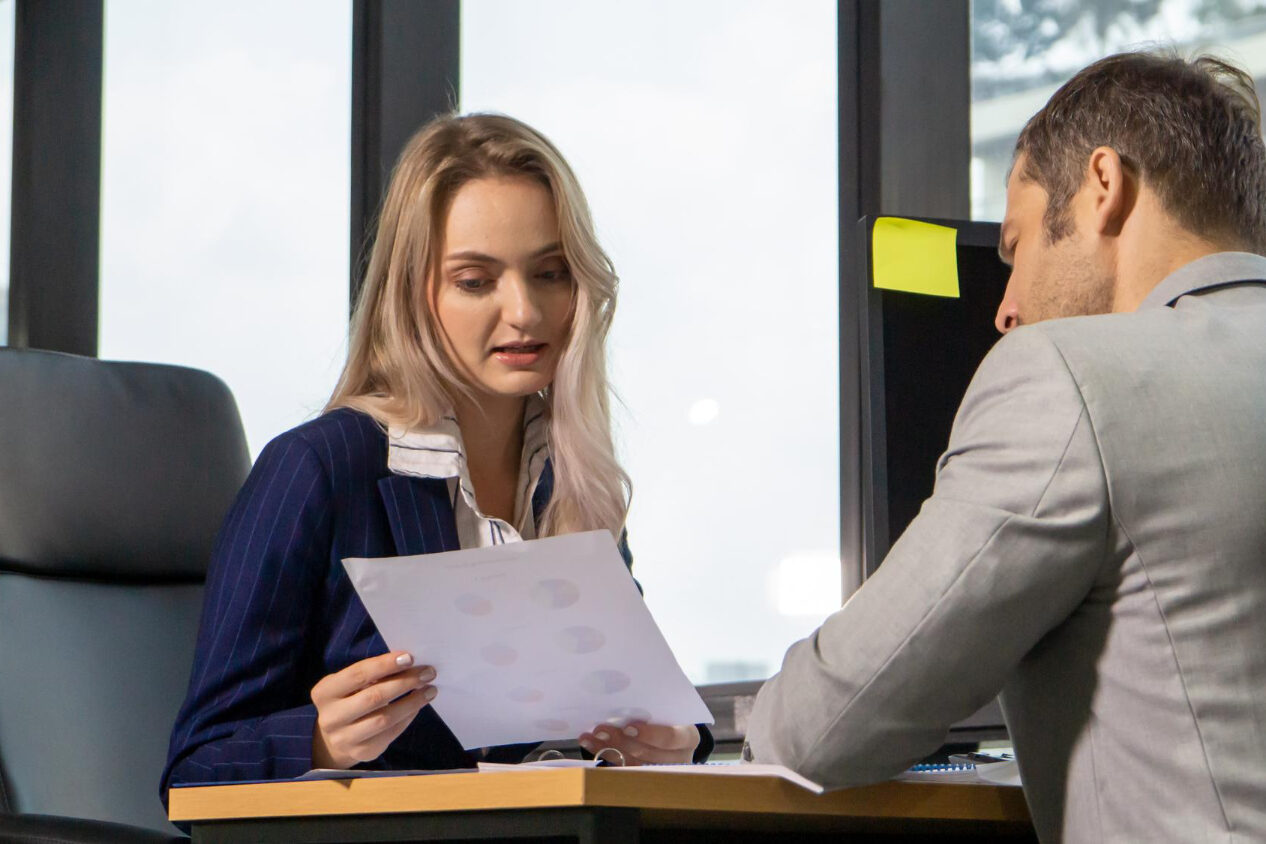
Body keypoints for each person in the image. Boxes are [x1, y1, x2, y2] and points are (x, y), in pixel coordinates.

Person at [745, 51, 1266, 842]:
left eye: (1017, 250)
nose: (1007, 308)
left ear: (1103, 187)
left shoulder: (1073, 376)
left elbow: (819, 729)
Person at [162, 114, 708, 796]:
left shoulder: (573, 482)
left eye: (550, 273)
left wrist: (675, 741)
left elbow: (643, 699)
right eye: (476, 281)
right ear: (414, 292)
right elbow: (194, 772)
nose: (525, 313)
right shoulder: (319, 469)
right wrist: (323, 739)